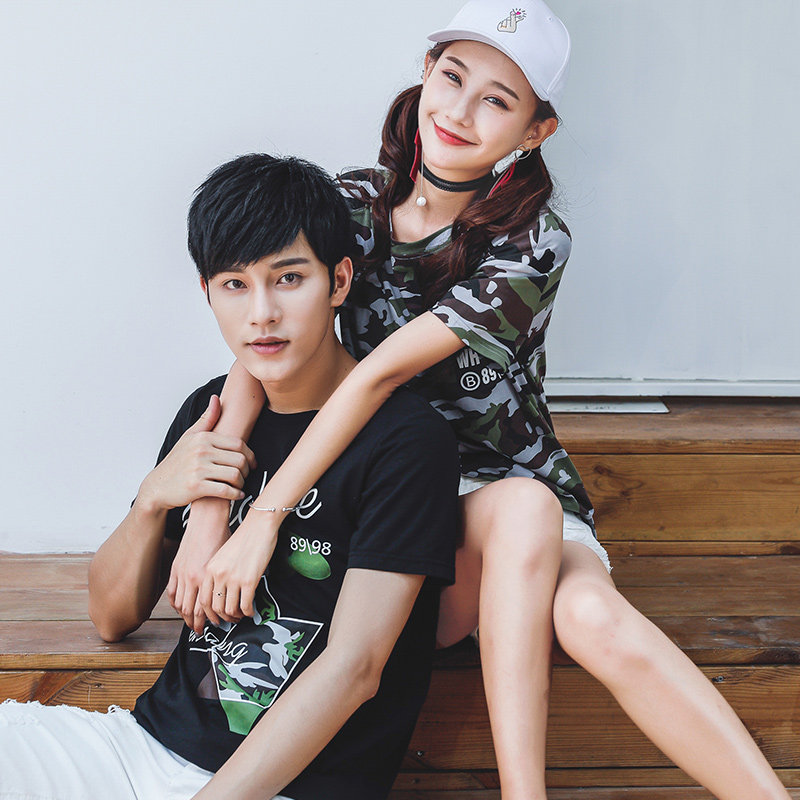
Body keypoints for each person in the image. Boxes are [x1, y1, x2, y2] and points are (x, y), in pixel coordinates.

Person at [173, 2, 792, 799]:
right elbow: (259, 348)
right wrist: (209, 517)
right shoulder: (350, 203)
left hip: (501, 493)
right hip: (387, 491)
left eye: (497, 100)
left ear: (536, 130)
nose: (460, 112)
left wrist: (263, 519)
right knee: (522, 525)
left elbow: (376, 375)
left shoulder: (534, 240)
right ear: (426, 74)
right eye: (452, 78)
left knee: (586, 609)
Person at [0, 154, 460, 800]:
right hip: (143, 747)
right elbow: (111, 616)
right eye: (235, 285)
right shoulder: (211, 412)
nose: (261, 313)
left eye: (288, 278)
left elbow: (355, 668)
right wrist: (154, 499)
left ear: (339, 281)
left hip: (286, 786)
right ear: (207, 292)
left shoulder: (405, 440)